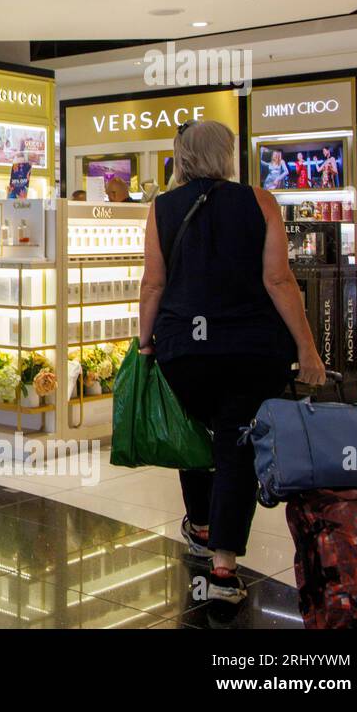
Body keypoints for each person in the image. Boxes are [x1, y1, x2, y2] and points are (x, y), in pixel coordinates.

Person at [138, 119, 325, 605]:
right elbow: (280, 281)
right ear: (228, 154)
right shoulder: (261, 201)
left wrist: (144, 343)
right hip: (252, 348)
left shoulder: (161, 207)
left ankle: (199, 525)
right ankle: (224, 568)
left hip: (185, 347)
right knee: (235, 445)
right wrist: (307, 349)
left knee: (194, 433)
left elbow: (153, 283)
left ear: (182, 157)